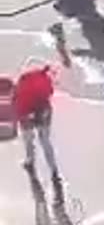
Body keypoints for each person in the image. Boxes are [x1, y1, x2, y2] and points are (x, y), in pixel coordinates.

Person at [15, 59, 61, 188]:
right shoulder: (44, 77)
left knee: (28, 138)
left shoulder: (22, 80)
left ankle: (30, 160)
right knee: (45, 140)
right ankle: (53, 169)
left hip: (26, 112)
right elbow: (50, 91)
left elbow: (17, 98)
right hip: (43, 111)